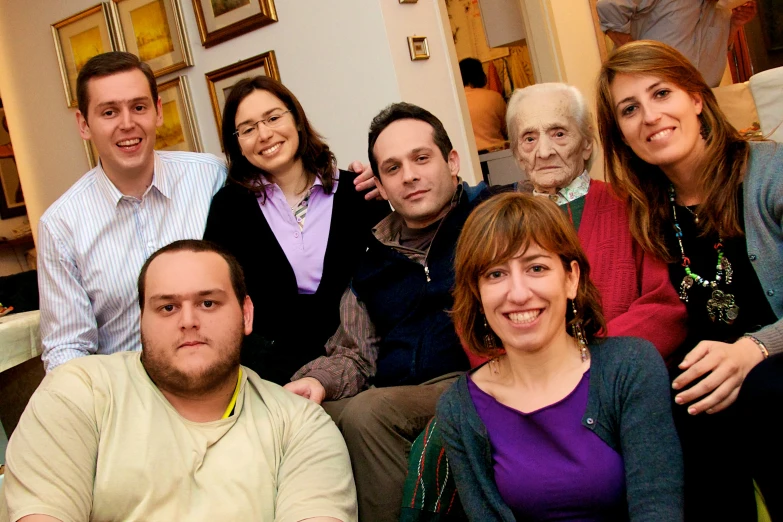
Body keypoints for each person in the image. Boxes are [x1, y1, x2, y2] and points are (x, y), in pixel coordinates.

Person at [0, 240, 356, 522]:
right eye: (167, 307)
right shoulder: (79, 393)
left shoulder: (300, 426)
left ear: (246, 314)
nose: (188, 321)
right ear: (141, 320)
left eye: (208, 303)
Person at [596, 39, 782, 520]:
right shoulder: (642, 213)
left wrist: (753, 350)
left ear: (697, 98)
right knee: (674, 411)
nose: (650, 116)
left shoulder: (769, 175)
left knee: (758, 393)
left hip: (772, 369)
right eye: (629, 109)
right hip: (704, 395)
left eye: (662, 94)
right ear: (620, 132)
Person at [285, 102, 495, 522]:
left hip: (474, 377)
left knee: (369, 413)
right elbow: (354, 352)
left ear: (452, 162)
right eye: (393, 168)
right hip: (396, 387)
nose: (410, 176)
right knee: (301, 417)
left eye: (421, 158)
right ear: (379, 183)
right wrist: (316, 382)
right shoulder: (371, 258)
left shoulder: (488, 221)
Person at [436, 193, 683, 521]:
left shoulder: (631, 368)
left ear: (571, 278)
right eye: (496, 274)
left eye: (536, 267)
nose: (519, 294)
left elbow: (658, 509)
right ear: (477, 293)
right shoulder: (459, 409)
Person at [37, 52, 226, 372]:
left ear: (158, 111)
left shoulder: (210, 177)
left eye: (138, 107)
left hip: (225, 375)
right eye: (109, 112)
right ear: (84, 124)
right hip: (130, 396)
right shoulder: (61, 225)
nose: (127, 124)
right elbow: (67, 348)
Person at [203, 76, 389, 385]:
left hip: (365, 369)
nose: (264, 134)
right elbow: (221, 300)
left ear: (297, 119)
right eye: (248, 129)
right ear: (236, 142)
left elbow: (390, 283)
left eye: (273, 118)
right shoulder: (228, 209)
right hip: (274, 382)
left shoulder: (359, 193)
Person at [505, 82, 686, 359]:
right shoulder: (500, 223)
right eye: (529, 138)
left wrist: (586, 358)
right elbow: (476, 317)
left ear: (587, 144)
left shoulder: (631, 205)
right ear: (517, 153)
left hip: (617, 373)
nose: (544, 151)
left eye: (559, 134)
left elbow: (664, 306)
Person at [596, 0, 757, 87]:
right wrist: (642, 61)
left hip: (703, 103)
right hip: (654, 98)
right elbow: (608, 6)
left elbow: (715, 51)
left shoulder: (723, 8)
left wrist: (735, 25)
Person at [459, 58, 507, 151]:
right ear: (481, 75)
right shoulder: (494, 97)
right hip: (496, 151)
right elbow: (508, 129)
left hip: (469, 155)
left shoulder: (456, 102)